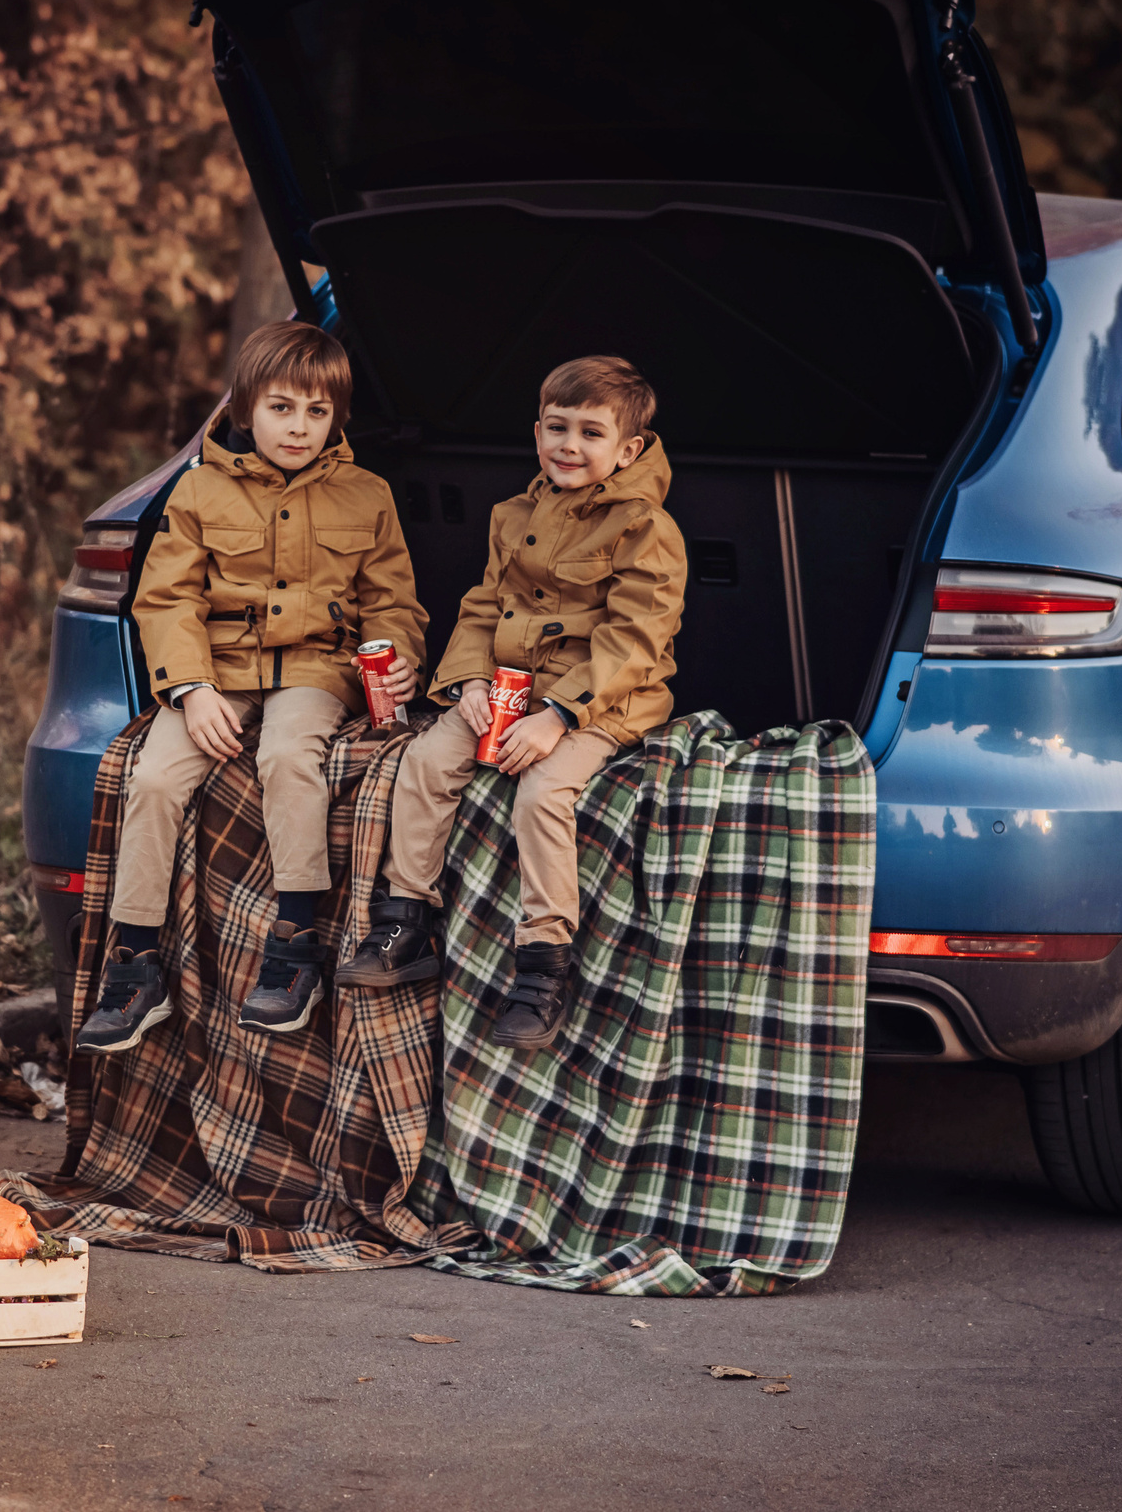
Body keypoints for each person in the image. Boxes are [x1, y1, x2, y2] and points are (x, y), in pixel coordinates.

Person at [75, 321, 429, 1054]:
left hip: (314, 666)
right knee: (153, 777)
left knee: (288, 754)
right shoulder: (199, 490)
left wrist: (401, 658)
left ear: (337, 416)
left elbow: (392, 599)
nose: (298, 427)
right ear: (244, 407)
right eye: (281, 408)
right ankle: (136, 963)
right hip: (218, 669)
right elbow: (166, 600)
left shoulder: (367, 494)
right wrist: (192, 688)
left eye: (316, 411)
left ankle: (294, 946)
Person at [340, 356, 686, 1049]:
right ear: (536, 433)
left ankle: (543, 965)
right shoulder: (515, 514)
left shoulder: (646, 528)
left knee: (543, 792)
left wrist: (558, 717)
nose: (569, 444)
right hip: (506, 686)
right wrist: (468, 681)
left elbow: (634, 640)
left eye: (591, 432)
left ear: (630, 449)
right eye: (557, 427)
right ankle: (407, 918)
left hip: (602, 699)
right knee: (427, 760)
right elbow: (481, 608)